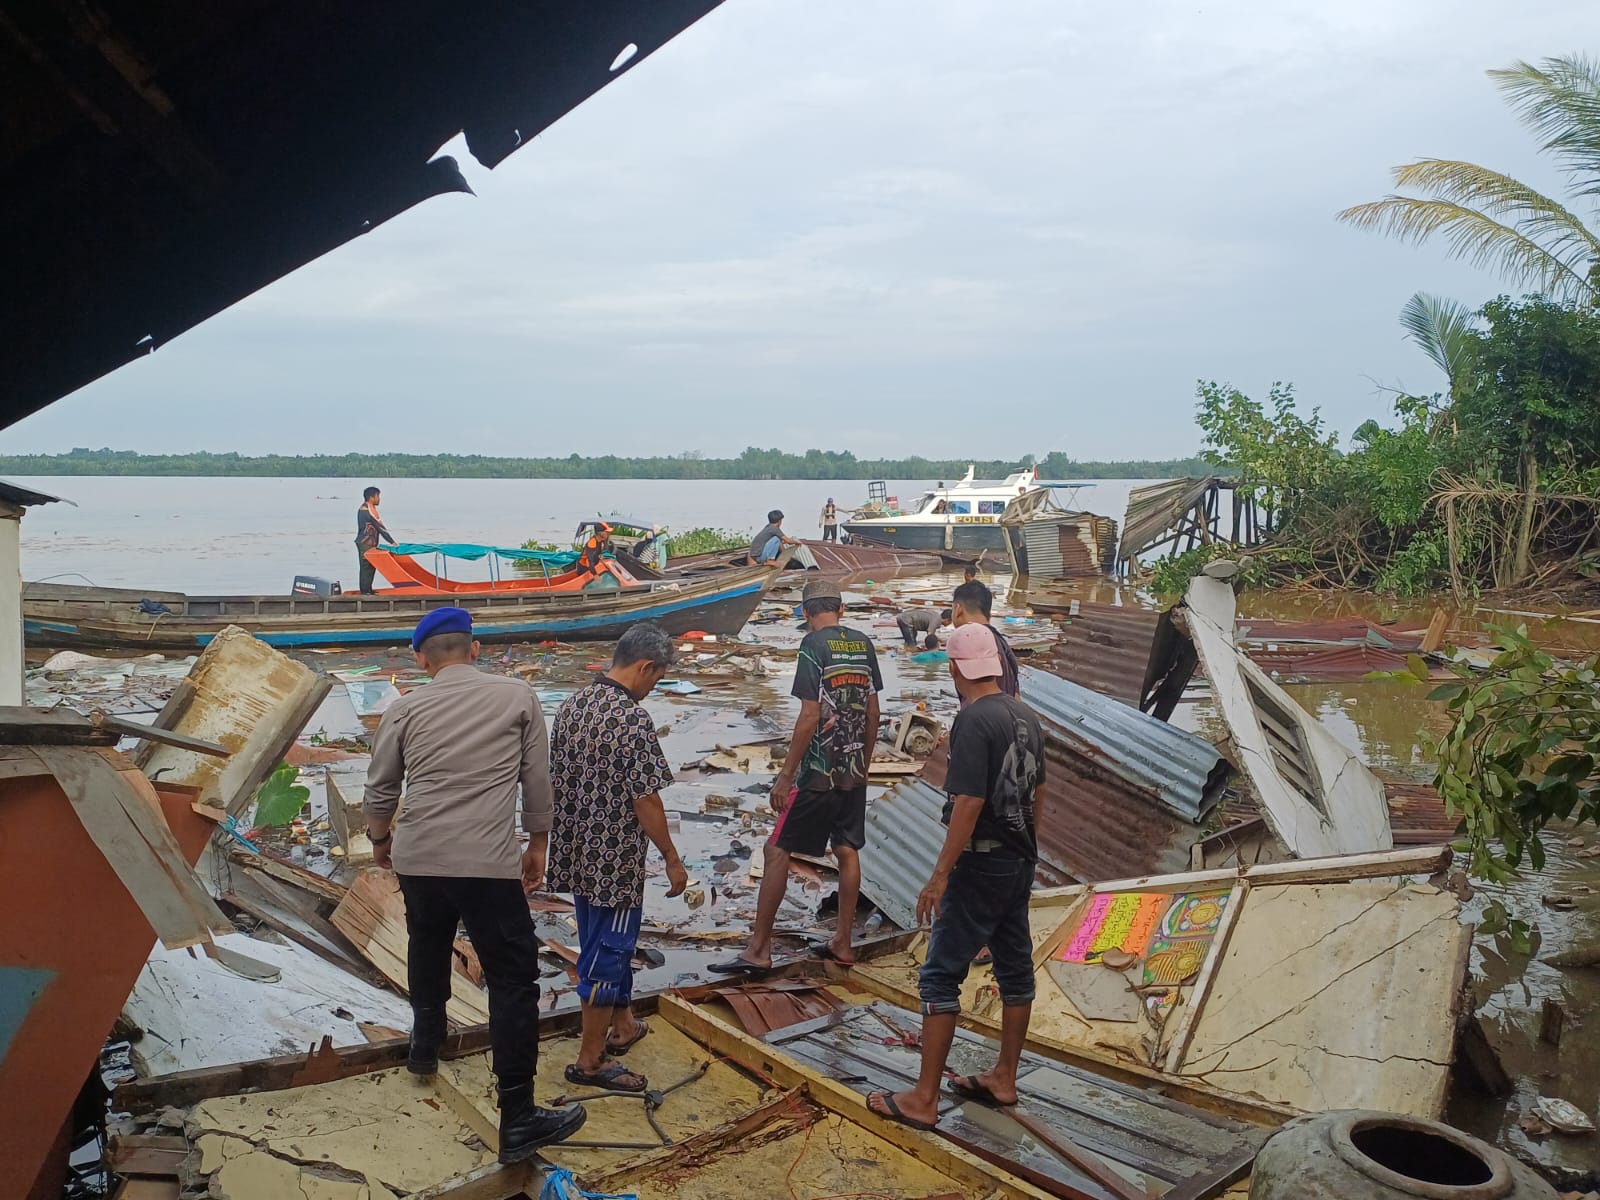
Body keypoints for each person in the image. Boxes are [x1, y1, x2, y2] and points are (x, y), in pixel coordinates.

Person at [364, 607, 586, 1161]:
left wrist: (379, 841)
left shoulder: (405, 707)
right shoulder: (518, 697)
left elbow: (381, 786)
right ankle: (518, 1116)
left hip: (419, 856)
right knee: (514, 980)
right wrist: (538, 842)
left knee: (428, 943)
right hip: (484, 861)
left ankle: (424, 1046)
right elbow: (538, 780)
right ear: (475, 649)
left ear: (421, 659)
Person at [867, 622, 1045, 1131]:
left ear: (954, 668)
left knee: (941, 973)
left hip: (980, 863)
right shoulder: (1027, 716)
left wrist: (938, 876)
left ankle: (924, 1098)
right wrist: (1028, 852)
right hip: (1017, 861)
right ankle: (1004, 1076)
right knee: (1015, 969)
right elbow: (1039, 796)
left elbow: (969, 800)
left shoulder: (972, 720)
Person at [709, 579, 881, 974]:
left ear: (806, 613)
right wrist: (864, 764)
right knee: (846, 849)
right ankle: (843, 942)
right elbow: (873, 713)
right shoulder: (864, 645)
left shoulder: (813, 646)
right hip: (854, 771)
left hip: (818, 772)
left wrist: (786, 776)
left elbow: (810, 715)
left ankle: (758, 950)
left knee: (776, 851)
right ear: (841, 608)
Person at [546, 623, 687, 1091]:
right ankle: (591, 1061)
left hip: (577, 854)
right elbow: (645, 800)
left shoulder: (572, 706)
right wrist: (670, 855)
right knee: (608, 956)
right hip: (614, 863)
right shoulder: (630, 719)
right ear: (645, 667)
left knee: (599, 942)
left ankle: (623, 1026)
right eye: (657, 679)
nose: (653, 688)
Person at [951, 579, 1020, 699]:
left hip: (979, 716)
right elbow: (1016, 695)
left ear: (958, 609)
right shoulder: (1001, 642)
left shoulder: (970, 644)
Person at [354, 486, 395, 594]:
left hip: (369, 543)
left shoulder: (366, 508)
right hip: (365, 543)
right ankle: (364, 592)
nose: (379, 499)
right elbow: (380, 528)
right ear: (372, 497)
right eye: (378, 496)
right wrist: (392, 542)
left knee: (371, 567)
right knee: (366, 568)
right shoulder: (368, 511)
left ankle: (368, 590)